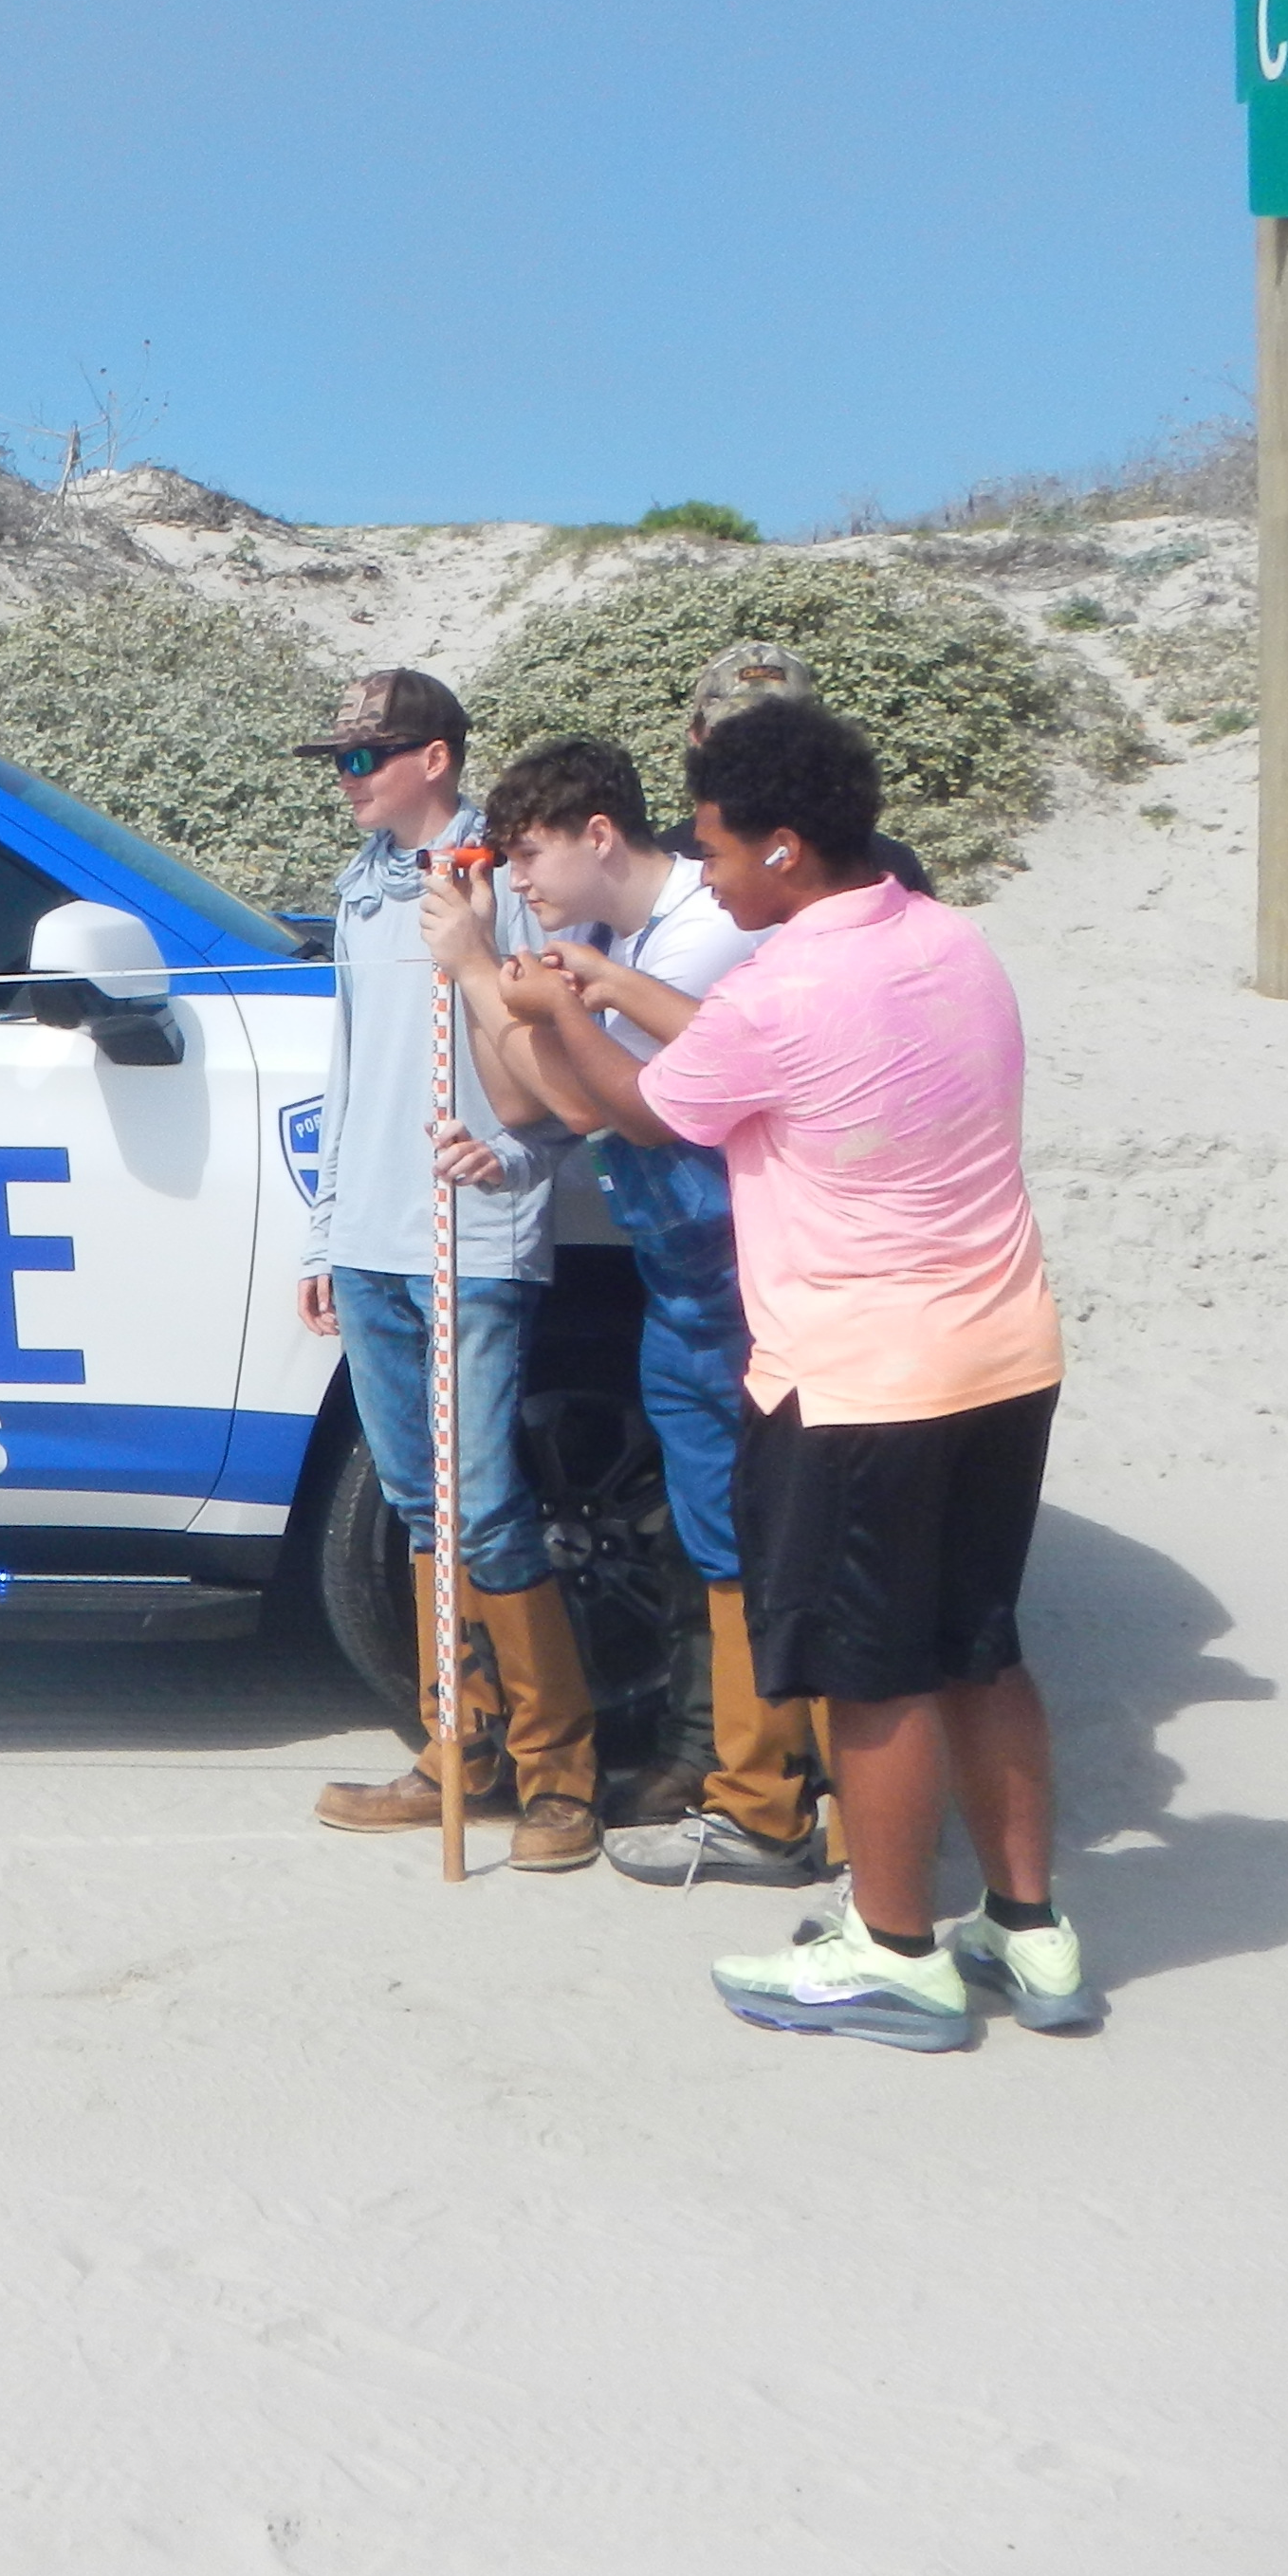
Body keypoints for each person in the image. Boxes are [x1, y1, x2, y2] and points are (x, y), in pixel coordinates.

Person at [496, 698, 1090, 2052]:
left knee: (872, 1675)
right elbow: (730, 1037)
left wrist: (552, 1005)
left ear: (782, 847)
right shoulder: (948, 938)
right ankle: (1028, 1927)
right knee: (981, 1648)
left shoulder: (780, 994)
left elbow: (642, 1108)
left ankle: (895, 1951)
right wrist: (612, 988)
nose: (703, 873)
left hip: (859, 1381)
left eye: (714, 848)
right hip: (1006, 1354)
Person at [457, 735, 823, 1885]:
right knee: (707, 1532)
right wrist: (492, 980)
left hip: (744, 1277)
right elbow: (523, 1098)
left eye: (528, 854)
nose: (518, 879)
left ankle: (782, 1790)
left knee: (764, 1533)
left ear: (600, 834)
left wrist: (485, 976)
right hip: (682, 1275)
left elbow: (605, 1103)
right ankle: (725, 1771)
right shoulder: (613, 941)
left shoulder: (705, 937)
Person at [289, 670, 602, 1870]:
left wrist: (521, 1155)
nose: (347, 778)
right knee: (422, 1502)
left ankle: (560, 1778)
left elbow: (569, 1060)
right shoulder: (363, 892)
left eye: (363, 757)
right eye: (338, 759)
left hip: (471, 1231)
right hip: (373, 1235)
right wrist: (325, 1231)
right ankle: (457, 1753)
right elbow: (348, 1072)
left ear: (434, 757)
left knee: (486, 1498)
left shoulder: (503, 880)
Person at [688, 643, 938, 898]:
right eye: (732, 732)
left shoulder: (883, 864)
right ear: (695, 737)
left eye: (780, 729)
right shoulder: (673, 866)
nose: (759, 746)